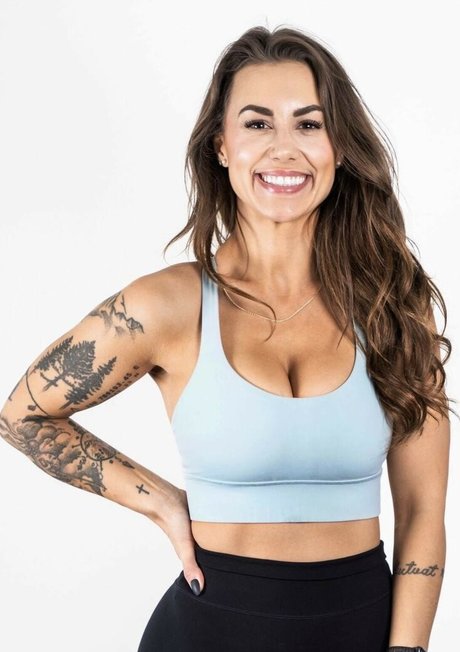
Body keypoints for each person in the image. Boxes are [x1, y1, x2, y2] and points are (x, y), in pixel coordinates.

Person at [0, 24, 454, 652]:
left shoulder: (391, 303)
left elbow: (424, 510)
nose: (284, 148)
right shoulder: (169, 305)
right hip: (204, 632)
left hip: (362, 627)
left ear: (340, 147)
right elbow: (22, 413)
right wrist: (161, 502)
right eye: (258, 123)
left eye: (309, 124)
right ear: (221, 145)